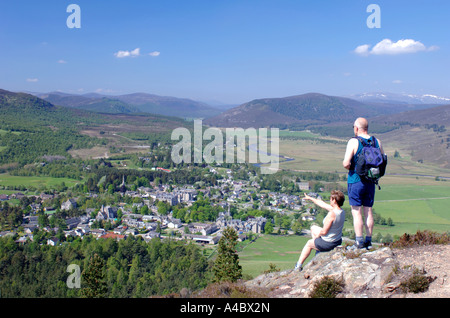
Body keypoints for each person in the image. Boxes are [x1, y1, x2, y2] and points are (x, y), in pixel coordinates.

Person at [343, 117, 385, 250]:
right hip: (371, 181)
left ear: (356, 128)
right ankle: (369, 241)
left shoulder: (353, 142)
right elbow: (382, 160)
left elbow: (346, 163)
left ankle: (359, 242)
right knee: (368, 211)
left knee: (356, 211)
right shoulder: (376, 141)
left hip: (356, 180)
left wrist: (352, 167)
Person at [294, 190, 346, 271]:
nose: (329, 200)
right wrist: (310, 198)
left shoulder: (332, 214)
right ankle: (318, 251)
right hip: (337, 240)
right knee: (313, 228)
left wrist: (316, 238)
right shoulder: (341, 211)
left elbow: (324, 232)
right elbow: (322, 204)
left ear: (334, 200)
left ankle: (298, 266)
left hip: (329, 243)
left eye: (331, 198)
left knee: (309, 243)